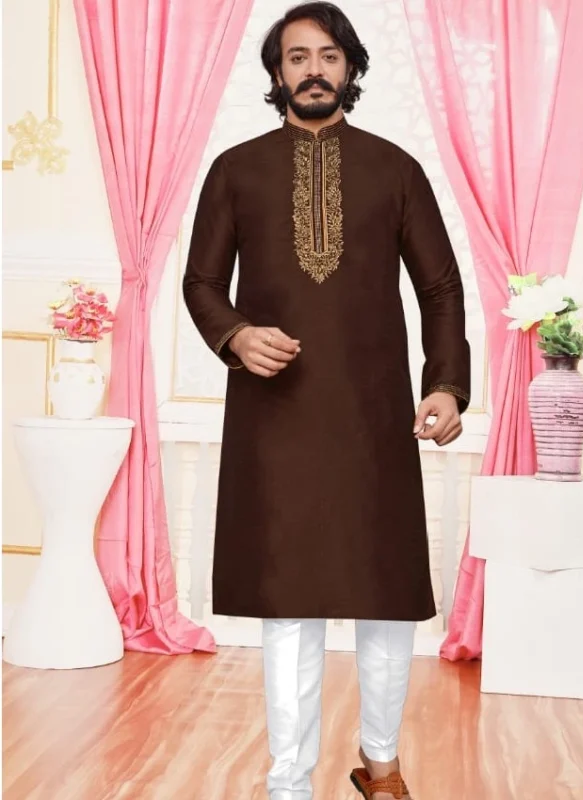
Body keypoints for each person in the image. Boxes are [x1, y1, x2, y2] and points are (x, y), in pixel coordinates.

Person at [183, 3, 470, 797]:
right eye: (298, 57)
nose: (314, 70)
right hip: (275, 418)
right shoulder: (236, 170)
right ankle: (290, 783)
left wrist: (445, 383)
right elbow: (201, 282)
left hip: (376, 418)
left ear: (351, 68)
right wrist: (236, 335)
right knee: (290, 603)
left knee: (385, 597)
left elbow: (441, 288)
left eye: (329, 56)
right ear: (277, 73)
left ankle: (382, 766)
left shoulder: (395, 169)